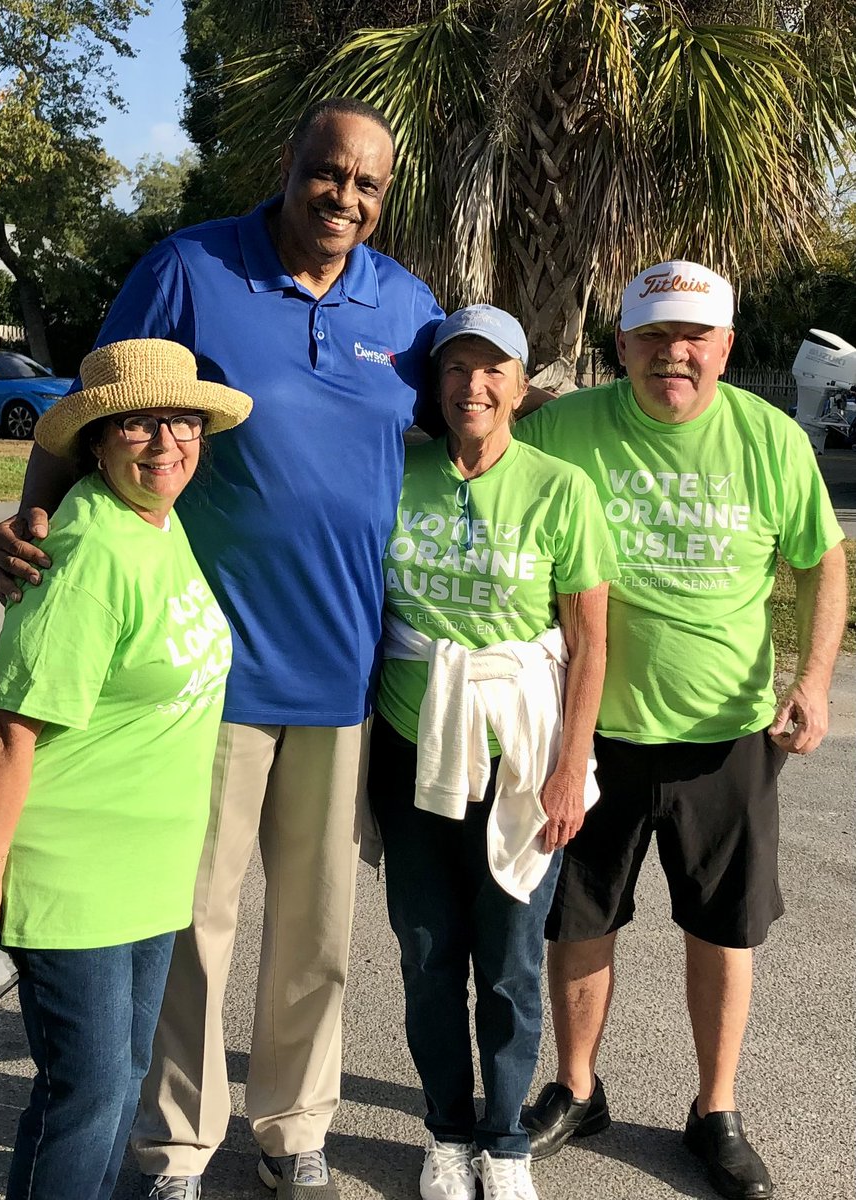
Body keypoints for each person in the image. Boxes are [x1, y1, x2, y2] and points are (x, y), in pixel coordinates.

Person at [0, 97, 444, 1200]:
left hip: (345, 667)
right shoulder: (191, 266)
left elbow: (469, 425)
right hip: (209, 672)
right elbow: (104, 396)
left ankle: (295, 1125)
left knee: (318, 930)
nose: (345, 197)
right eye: (328, 172)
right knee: (195, 921)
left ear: (386, 197)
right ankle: (178, 1141)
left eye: (368, 184)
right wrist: (34, 512)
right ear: (290, 164)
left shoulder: (409, 304)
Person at [515, 261, 847, 1200]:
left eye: (695, 337)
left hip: (728, 737)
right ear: (620, 346)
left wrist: (814, 682)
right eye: (654, 337)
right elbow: (479, 456)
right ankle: (578, 1088)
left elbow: (825, 563)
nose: (676, 355)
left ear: (726, 347)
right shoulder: (564, 431)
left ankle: (716, 1109)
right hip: (592, 734)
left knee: (722, 928)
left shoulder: (770, 440)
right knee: (579, 921)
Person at [0, 338, 251, 1200]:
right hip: (75, 873)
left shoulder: (157, 521)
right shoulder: (86, 550)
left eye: (183, 419)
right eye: (139, 423)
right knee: (86, 1095)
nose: (167, 441)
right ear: (96, 439)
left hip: (147, 872)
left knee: (119, 1082)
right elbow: (9, 729)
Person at [368, 306, 618, 1200]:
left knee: (510, 958)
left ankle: (504, 1140)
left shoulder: (560, 488)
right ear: (435, 386)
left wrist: (567, 769)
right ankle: (446, 1129)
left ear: (519, 385)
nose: (472, 386)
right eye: (454, 370)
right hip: (413, 748)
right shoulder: (398, 471)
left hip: (524, 757)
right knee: (428, 952)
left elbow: (588, 641)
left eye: (491, 370)